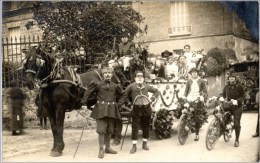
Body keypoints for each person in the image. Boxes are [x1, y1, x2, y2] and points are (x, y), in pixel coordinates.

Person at [81, 67, 126, 158]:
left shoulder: (115, 86)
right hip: (101, 109)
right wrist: (84, 103)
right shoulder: (97, 84)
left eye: (109, 73)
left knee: (110, 129)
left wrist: (119, 104)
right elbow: (87, 93)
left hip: (112, 109)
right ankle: (101, 149)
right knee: (101, 130)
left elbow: (124, 94)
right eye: (105, 73)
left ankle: (108, 148)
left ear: (112, 74)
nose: (107, 75)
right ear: (103, 75)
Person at [124, 70, 159, 154]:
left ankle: (145, 143)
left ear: (143, 78)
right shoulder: (131, 86)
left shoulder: (146, 86)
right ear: (135, 77)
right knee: (135, 127)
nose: (139, 78)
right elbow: (124, 96)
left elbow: (157, 91)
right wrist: (129, 104)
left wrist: (151, 99)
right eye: (138, 76)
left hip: (146, 108)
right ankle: (134, 146)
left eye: (141, 76)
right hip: (136, 108)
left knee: (146, 126)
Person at [184, 68, 208, 141]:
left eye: (195, 72)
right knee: (184, 110)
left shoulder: (202, 81)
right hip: (190, 97)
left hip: (198, 98)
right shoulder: (189, 81)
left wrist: (202, 96)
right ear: (191, 73)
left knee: (196, 116)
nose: (194, 74)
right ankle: (184, 127)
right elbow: (186, 91)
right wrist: (184, 97)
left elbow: (205, 91)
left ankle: (197, 134)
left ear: (197, 73)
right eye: (192, 73)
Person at [222, 74, 245, 147]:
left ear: (235, 79)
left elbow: (243, 96)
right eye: (230, 78)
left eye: (233, 77)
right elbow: (222, 95)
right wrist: (221, 98)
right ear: (228, 79)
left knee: (236, 124)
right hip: (228, 106)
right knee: (222, 119)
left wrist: (237, 101)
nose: (231, 79)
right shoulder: (226, 87)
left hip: (237, 107)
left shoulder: (239, 87)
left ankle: (237, 140)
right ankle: (227, 131)